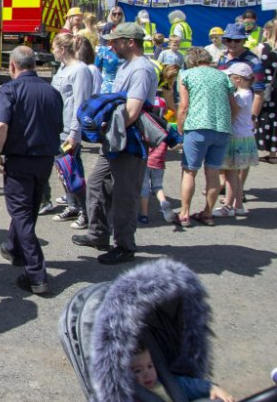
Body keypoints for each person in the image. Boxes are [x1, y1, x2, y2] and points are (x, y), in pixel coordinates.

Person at [72, 22, 157, 265]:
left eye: (116, 41)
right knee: (97, 183)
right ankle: (98, 234)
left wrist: (104, 128)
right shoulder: (128, 64)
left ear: (130, 42)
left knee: (124, 194)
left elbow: (131, 111)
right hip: (115, 138)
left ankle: (125, 246)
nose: (112, 45)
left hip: (128, 140)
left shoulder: (141, 69)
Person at [0, 46, 62, 295]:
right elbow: (57, 126)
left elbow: (0, 126)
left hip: (20, 160)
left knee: (21, 214)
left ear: (12, 66)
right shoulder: (52, 92)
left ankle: (36, 274)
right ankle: (13, 248)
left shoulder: (10, 89)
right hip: (44, 160)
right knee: (28, 210)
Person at [176, 47, 235, 227]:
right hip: (222, 128)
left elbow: (184, 106)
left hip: (197, 126)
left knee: (189, 171)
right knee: (213, 173)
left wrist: (180, 126)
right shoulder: (223, 76)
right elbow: (234, 105)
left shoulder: (186, 75)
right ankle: (208, 213)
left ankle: (184, 213)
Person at [48, 34, 94, 222]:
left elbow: (80, 104)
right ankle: (73, 205)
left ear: (63, 49)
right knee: (63, 170)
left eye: (53, 47)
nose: (52, 51)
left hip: (69, 131)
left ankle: (86, 211)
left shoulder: (80, 70)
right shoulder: (62, 68)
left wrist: (75, 133)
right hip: (58, 129)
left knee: (73, 170)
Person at [216, 23, 266, 197]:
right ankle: (225, 183)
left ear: (243, 40)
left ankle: (239, 189)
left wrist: (253, 116)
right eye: (228, 40)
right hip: (225, 110)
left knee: (242, 154)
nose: (232, 43)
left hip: (244, 110)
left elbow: (259, 92)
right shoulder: (223, 58)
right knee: (225, 149)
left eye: (236, 40)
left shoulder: (253, 61)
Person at [129, 342, 235, 402]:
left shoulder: (165, 383)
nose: (147, 374)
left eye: (150, 366)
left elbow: (190, 385)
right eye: (138, 370)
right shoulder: (129, 397)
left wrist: (210, 388)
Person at [215, 62, 257, 218]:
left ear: (238, 79)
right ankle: (238, 205)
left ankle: (228, 206)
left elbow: (233, 115)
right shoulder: (248, 93)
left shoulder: (241, 96)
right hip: (244, 136)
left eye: (231, 77)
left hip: (236, 137)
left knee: (230, 173)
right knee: (236, 174)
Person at [255, 20, 277, 163]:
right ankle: (274, 153)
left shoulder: (262, 47)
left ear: (268, 31)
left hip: (266, 88)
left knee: (266, 117)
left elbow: (255, 68)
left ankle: (271, 152)